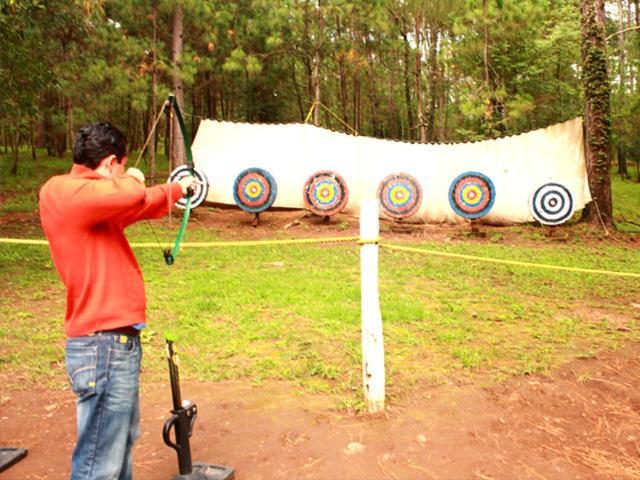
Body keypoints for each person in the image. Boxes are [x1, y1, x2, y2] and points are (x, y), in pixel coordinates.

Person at [39, 122, 195, 479]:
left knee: (119, 444)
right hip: (101, 346)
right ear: (110, 164)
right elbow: (128, 194)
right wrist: (134, 178)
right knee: (100, 463)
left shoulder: (94, 207)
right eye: (121, 167)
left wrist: (176, 189)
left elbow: (139, 203)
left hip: (115, 345)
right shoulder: (62, 192)